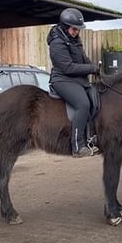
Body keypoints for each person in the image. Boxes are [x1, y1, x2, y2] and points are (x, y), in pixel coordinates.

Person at [47, 8, 100, 158]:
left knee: (95, 98)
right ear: (65, 26)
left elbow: (84, 59)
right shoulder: (57, 43)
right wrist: (90, 68)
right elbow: (68, 67)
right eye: (74, 29)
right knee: (83, 104)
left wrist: (95, 69)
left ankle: (91, 139)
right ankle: (77, 146)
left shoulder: (75, 40)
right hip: (62, 79)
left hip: (77, 79)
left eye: (78, 29)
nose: (76, 32)